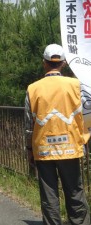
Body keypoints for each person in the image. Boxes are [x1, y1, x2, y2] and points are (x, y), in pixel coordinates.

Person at [25, 43, 91, 225]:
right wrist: (83, 140)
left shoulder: (33, 88)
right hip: (70, 147)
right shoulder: (76, 85)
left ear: (44, 63)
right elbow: (86, 115)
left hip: (43, 149)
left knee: (49, 193)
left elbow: (28, 124)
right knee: (74, 190)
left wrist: (29, 149)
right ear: (63, 63)